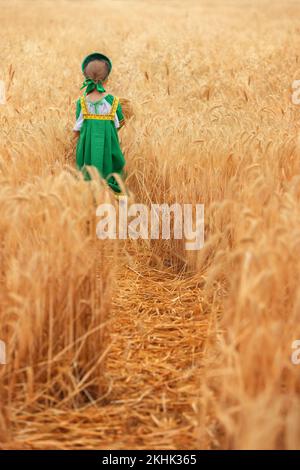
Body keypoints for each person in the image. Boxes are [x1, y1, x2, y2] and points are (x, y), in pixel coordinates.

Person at [73, 52, 126, 193]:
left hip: (87, 148)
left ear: (86, 78)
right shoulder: (113, 101)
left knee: (88, 174)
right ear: (107, 79)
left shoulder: (82, 102)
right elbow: (119, 123)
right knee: (111, 171)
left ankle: (90, 195)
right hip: (109, 146)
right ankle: (111, 195)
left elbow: (77, 129)